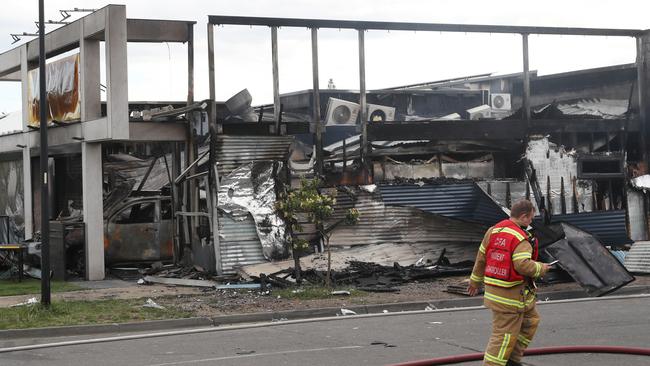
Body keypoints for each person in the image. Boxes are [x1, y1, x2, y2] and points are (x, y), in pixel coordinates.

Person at [468, 199, 552, 366]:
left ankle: (512, 360)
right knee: (503, 336)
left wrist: (474, 282)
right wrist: (542, 268)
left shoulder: (493, 231)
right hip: (510, 298)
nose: (531, 222)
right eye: (530, 219)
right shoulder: (520, 238)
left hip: (507, 295)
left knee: (530, 322)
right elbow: (523, 265)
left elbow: (481, 258)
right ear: (523, 216)